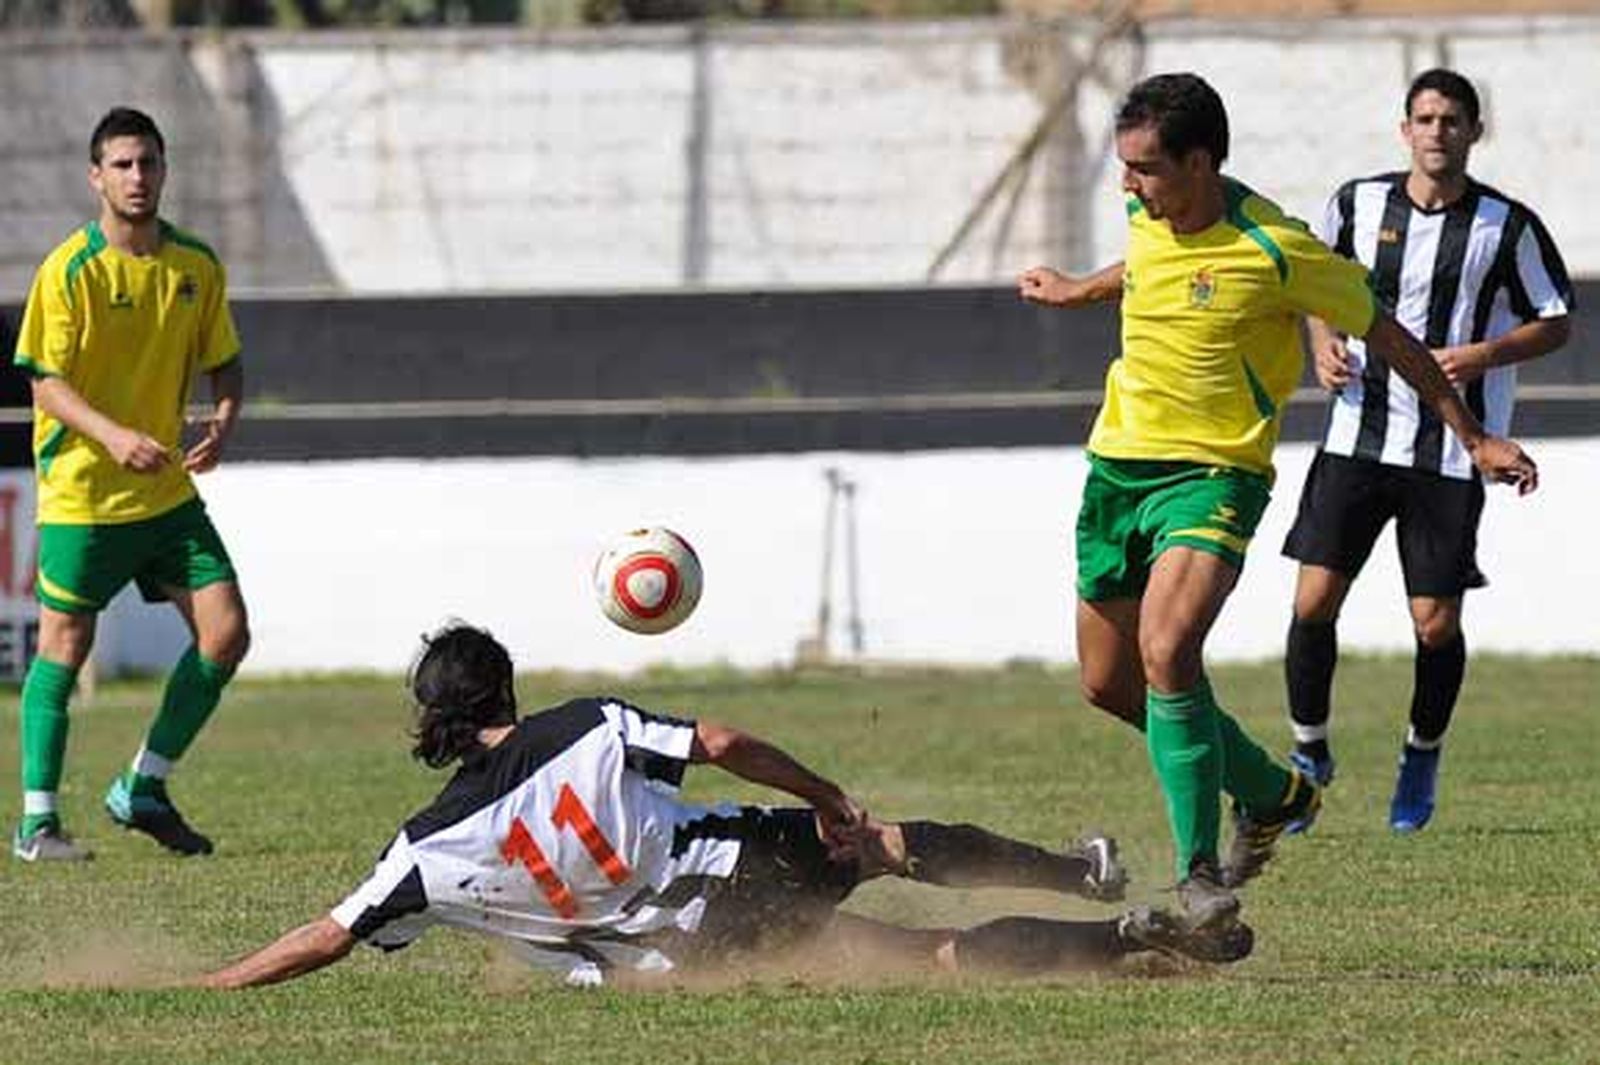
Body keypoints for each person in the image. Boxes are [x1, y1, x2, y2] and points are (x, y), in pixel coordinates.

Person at [1016, 73, 1538, 948]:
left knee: (1167, 649)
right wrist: (1080, 289)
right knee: (1111, 684)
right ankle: (1269, 792)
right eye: (1126, 168)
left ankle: (1199, 877)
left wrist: (1472, 436)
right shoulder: (1151, 214)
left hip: (1215, 474)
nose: (1127, 186)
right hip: (1117, 469)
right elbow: (1149, 268)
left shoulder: (1279, 248)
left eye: (1144, 169)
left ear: (1201, 161)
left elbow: (1389, 336)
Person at [201, 623, 1250, 989]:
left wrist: (217, 979)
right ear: (504, 692)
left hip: (685, 961)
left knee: (922, 958)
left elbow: (326, 938)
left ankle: (1121, 934)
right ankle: (1087, 878)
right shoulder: (580, 727)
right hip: (734, 868)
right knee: (876, 845)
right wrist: (823, 795)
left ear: (432, 722)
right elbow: (719, 744)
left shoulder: (421, 855)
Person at [1280, 69, 1572, 833]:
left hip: (1449, 452)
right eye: (1425, 118)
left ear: (1475, 131)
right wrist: (1321, 345)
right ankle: (1309, 751)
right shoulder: (1355, 204)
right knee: (1312, 602)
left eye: (1451, 120)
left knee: (1434, 622)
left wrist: (1482, 354)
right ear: (1403, 129)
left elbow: (1556, 318)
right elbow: (1311, 283)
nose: (1437, 131)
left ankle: (1421, 753)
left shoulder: (1506, 227)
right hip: (1357, 434)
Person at [9, 107, 248, 862]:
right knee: (65, 644)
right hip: (84, 494)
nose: (137, 178)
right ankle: (37, 822)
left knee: (226, 632)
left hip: (166, 496)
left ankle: (143, 785)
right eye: (121, 165)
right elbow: (45, 386)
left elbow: (225, 357)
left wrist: (226, 415)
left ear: (163, 170)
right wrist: (112, 435)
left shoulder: (196, 265)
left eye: (148, 163)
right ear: (96, 177)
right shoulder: (70, 269)